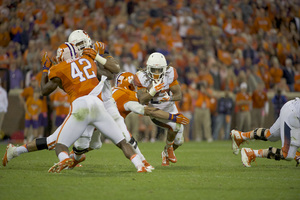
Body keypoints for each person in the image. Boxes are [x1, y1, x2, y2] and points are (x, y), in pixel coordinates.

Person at [3, 42, 148, 173]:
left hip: (80, 107)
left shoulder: (59, 68)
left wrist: (46, 69)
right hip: (97, 105)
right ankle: (139, 165)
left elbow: (44, 90)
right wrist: (100, 56)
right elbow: (110, 73)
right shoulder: (88, 60)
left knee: (59, 143)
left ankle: (66, 158)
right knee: (121, 142)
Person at [133, 52, 184, 166]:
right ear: (148, 68)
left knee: (180, 141)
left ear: (165, 69)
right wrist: (152, 91)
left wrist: (169, 98)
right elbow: (141, 100)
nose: (156, 73)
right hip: (155, 111)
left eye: (159, 69)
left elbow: (179, 95)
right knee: (175, 125)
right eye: (154, 69)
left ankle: (166, 151)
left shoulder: (170, 73)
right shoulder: (141, 77)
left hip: (170, 108)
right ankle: (169, 149)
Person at [230, 98, 300, 167]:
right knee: (288, 155)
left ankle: (240, 136)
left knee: (271, 135)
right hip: (294, 116)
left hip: (290, 106)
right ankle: (251, 153)